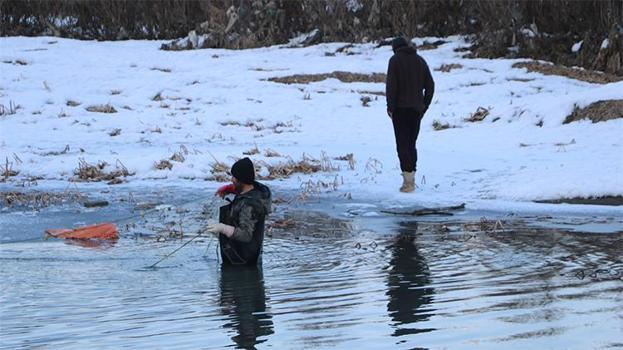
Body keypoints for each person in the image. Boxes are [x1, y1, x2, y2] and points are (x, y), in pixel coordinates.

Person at [386, 36, 435, 193]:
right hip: (416, 110)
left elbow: (391, 86)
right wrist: (424, 105)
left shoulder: (394, 61)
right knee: (411, 144)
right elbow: (430, 86)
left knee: (402, 144)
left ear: (395, 48)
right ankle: (411, 178)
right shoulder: (420, 60)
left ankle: (408, 183)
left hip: (400, 110)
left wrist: (390, 107)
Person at [207, 157, 272, 265]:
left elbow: (245, 235)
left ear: (242, 180)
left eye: (234, 177)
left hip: (242, 263)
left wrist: (222, 228)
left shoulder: (250, 205)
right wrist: (230, 188)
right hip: (239, 257)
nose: (232, 179)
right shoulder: (256, 191)